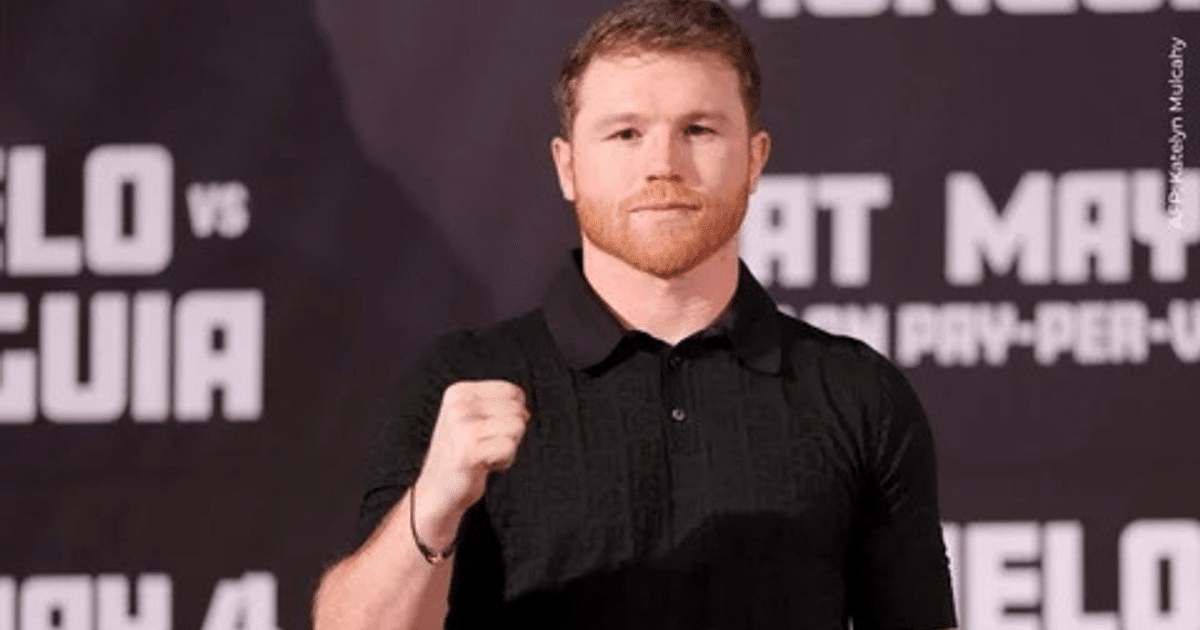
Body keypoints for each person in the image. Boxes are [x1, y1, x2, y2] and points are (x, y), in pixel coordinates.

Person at [312, 0, 958, 628]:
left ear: (755, 159)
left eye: (698, 130)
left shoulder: (856, 394)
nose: (662, 166)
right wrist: (435, 504)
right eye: (626, 134)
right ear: (568, 166)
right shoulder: (466, 381)